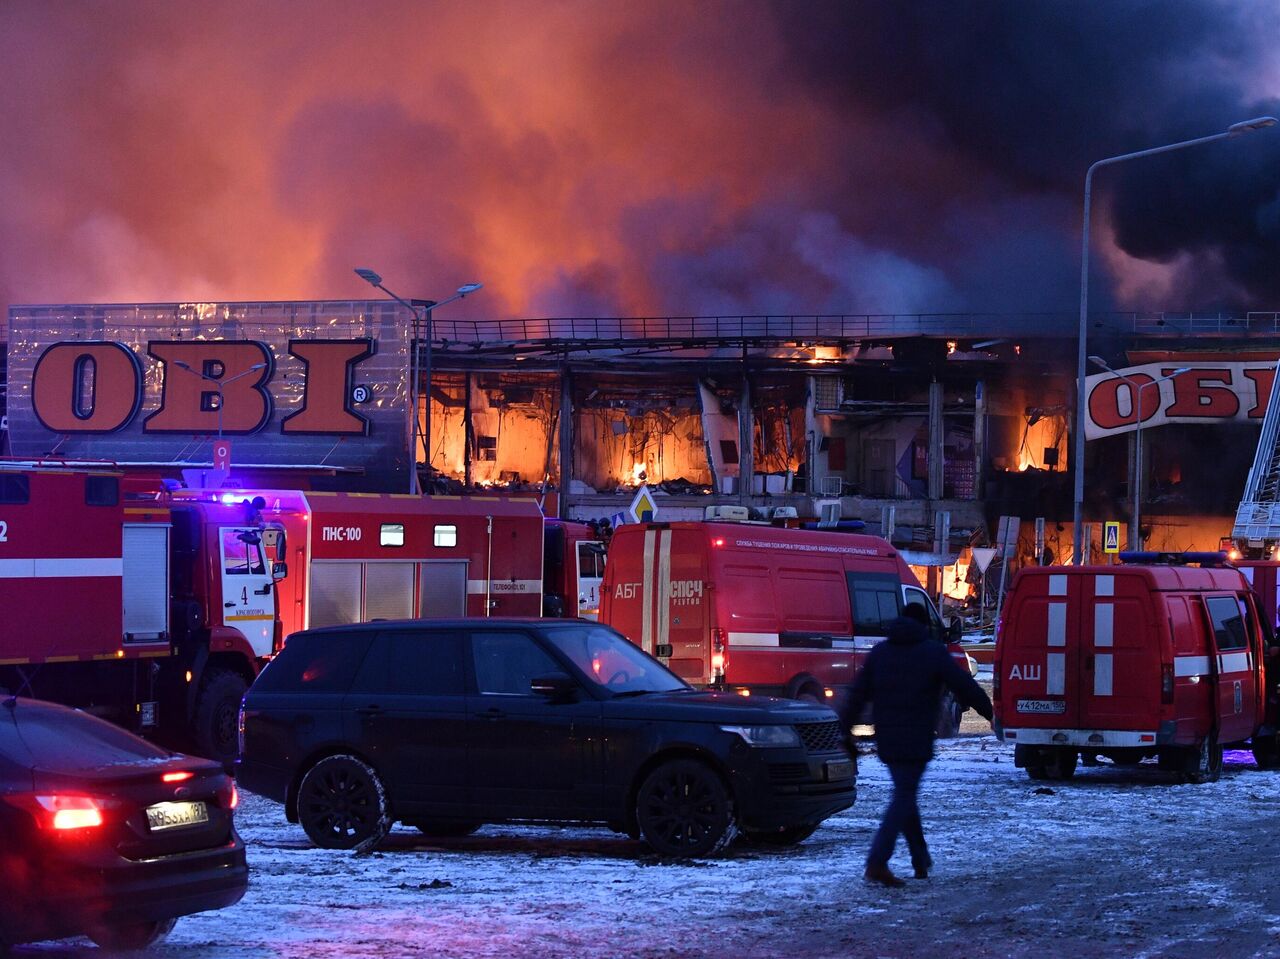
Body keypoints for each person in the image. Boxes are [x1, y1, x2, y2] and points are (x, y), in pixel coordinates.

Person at [841, 603, 993, 887]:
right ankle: (877, 861)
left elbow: (857, 695)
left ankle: (920, 859)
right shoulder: (932, 652)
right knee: (903, 796)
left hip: (887, 737)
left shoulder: (880, 652)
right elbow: (964, 685)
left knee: (904, 794)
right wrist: (991, 713)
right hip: (917, 737)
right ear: (924, 625)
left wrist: (844, 731)